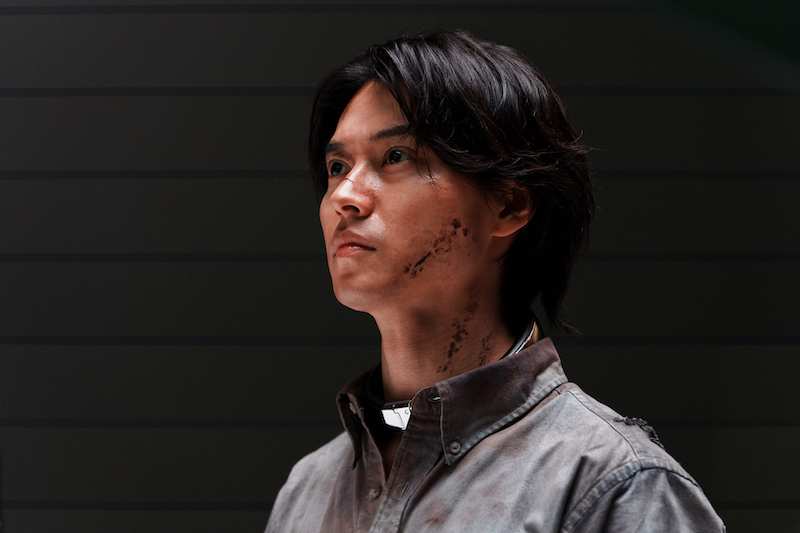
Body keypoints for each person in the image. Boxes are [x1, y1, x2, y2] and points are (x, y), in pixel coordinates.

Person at [266, 30, 724, 532]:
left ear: (508, 205)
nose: (343, 197)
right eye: (337, 166)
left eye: (395, 156)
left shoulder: (613, 486)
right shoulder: (307, 490)